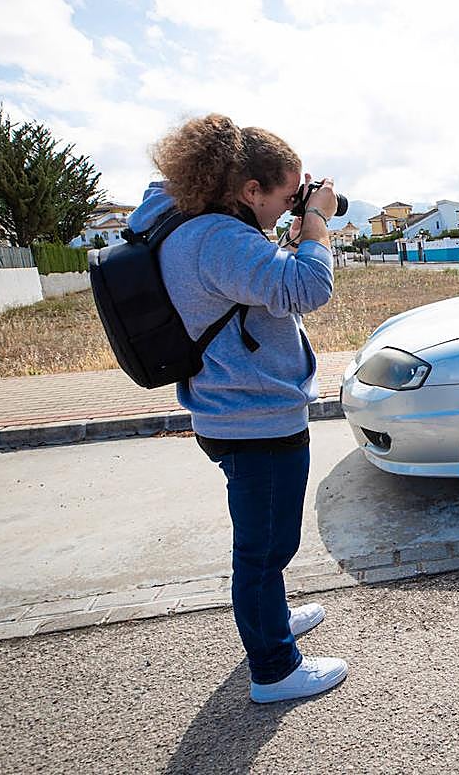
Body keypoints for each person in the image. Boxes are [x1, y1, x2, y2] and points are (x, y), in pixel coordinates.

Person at [128, 113, 346, 704]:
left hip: (232, 408)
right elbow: (307, 288)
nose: (287, 208)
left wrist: (296, 219)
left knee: (265, 542)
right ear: (249, 190)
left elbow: (262, 277)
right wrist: (317, 224)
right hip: (253, 417)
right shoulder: (217, 239)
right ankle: (273, 668)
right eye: (283, 195)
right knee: (263, 549)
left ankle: (270, 618)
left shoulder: (198, 224)